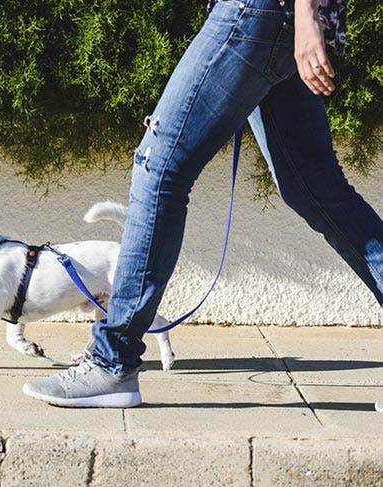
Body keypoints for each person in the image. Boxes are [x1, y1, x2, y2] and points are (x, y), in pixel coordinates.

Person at [22, 0, 383, 408]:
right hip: (274, 17)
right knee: (315, 189)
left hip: (258, 11)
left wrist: (304, 13)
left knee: (158, 169)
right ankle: (112, 360)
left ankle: (111, 361)